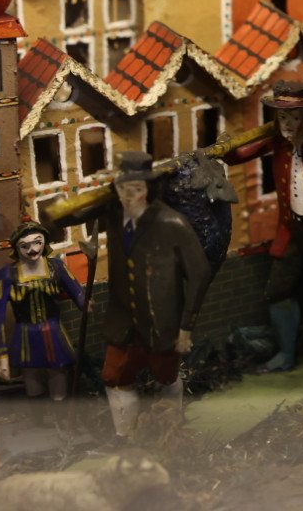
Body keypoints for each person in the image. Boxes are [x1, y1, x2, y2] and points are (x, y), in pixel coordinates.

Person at [223, 82, 303, 371]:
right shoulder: (277, 144)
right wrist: (223, 146)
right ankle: (286, 353)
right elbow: (237, 156)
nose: (288, 124)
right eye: (283, 117)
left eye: (295, 117)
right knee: (277, 291)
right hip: (291, 230)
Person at [89, 152, 212, 438]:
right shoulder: (114, 214)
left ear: (149, 189)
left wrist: (186, 327)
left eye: (136, 189)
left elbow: (199, 274)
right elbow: (71, 214)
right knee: (114, 377)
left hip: (161, 324)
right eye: (123, 189)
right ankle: (125, 436)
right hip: (124, 322)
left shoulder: (172, 223)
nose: (129, 196)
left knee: (166, 377)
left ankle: (171, 431)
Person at [0, 221, 86, 401]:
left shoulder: (56, 267)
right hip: (25, 335)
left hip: (53, 331)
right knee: (31, 377)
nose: (32, 249)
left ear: (45, 242)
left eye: (37, 242)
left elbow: (77, 292)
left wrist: (86, 304)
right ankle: (39, 413)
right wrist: (1, 355)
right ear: (16, 248)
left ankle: (60, 412)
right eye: (25, 246)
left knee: (58, 373)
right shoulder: (6, 275)